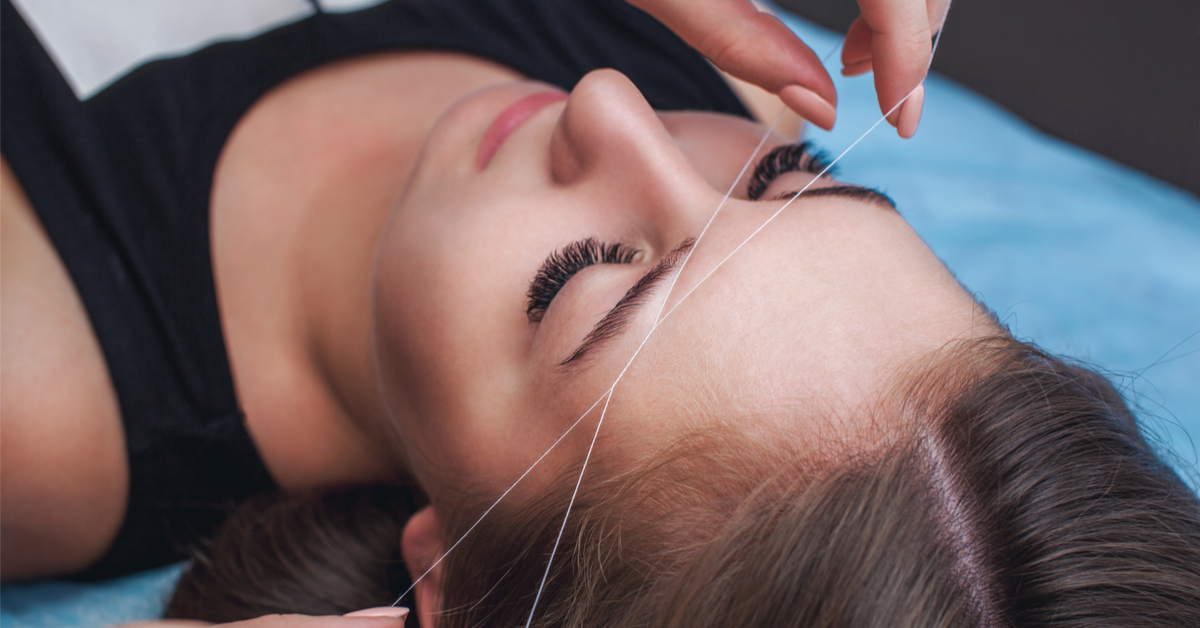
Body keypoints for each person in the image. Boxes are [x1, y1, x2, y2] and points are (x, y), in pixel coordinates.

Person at [5, 0, 1198, 626]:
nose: (614, 103)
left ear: (453, 587)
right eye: (790, 185)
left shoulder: (37, 396)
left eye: (584, 279)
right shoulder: (728, 74)